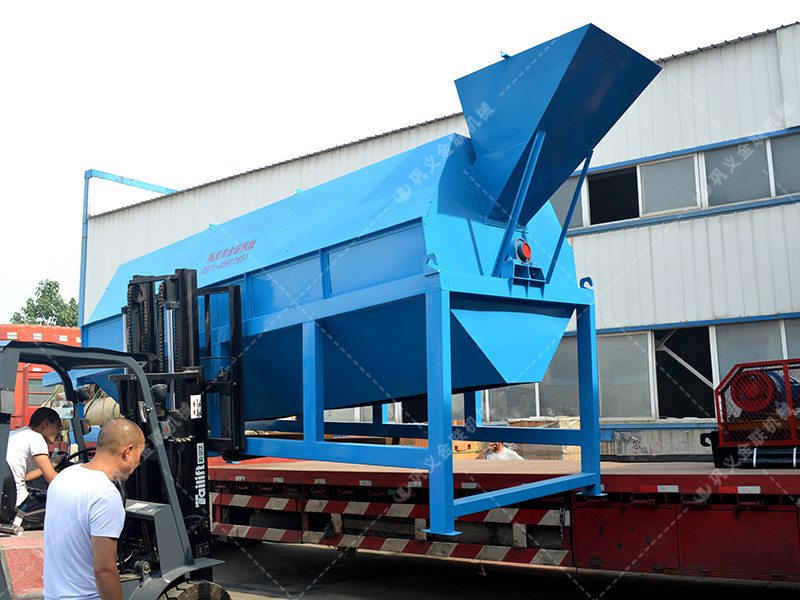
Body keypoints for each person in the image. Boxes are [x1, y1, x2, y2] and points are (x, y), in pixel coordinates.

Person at [43, 418, 145, 600]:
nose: (138, 462)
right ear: (128, 451)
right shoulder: (106, 494)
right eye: (140, 454)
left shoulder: (63, 477)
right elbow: (104, 571)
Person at [2, 407, 61, 526]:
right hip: (18, 504)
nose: (59, 432)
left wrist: (51, 465)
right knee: (64, 504)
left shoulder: (15, 434)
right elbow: (52, 479)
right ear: (46, 423)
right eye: (58, 427)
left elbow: (25, 477)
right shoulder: (36, 437)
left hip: (5, 500)